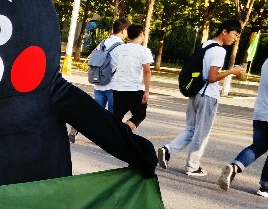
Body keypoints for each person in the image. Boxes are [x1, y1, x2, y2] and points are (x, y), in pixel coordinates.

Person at [157, 19, 245, 176]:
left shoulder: (205, 45)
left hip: (195, 92)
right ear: (224, 31)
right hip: (208, 95)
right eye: (235, 34)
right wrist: (232, 72)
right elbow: (212, 77)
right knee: (202, 132)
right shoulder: (219, 51)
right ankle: (192, 166)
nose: (235, 38)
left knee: (191, 129)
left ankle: (167, 150)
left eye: (238, 36)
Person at [68, 18, 129, 143]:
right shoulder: (122, 47)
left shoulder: (103, 42)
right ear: (123, 30)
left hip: (99, 83)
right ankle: (111, 141)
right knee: (113, 116)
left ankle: (77, 125)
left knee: (94, 112)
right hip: (113, 86)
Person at [217, 56, 268, 197]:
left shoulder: (266, 61)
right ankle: (265, 186)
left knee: (258, 147)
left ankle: (234, 168)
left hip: (260, 112)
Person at [110, 23, 153, 131]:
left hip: (118, 89)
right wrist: (147, 91)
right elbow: (147, 71)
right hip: (135, 89)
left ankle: (112, 137)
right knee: (139, 114)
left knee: (116, 117)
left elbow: (112, 67)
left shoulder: (118, 49)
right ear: (141, 34)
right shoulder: (144, 51)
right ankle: (123, 133)